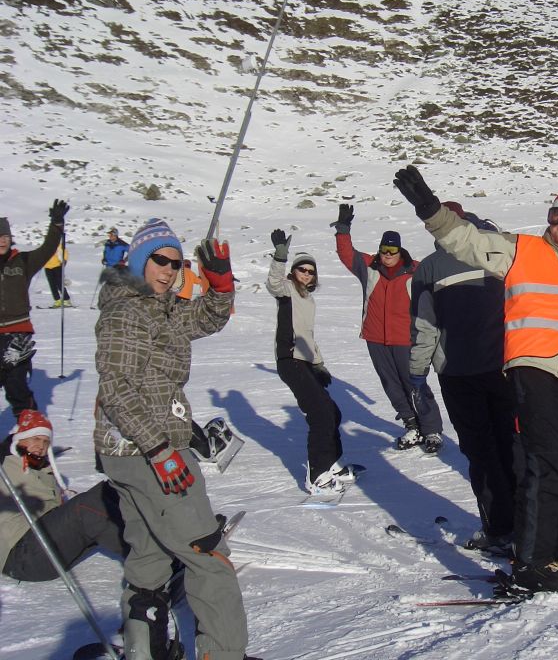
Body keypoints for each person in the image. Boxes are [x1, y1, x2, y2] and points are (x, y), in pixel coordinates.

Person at [393, 165, 558, 592]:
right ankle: (532, 561)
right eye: (556, 214)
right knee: (546, 460)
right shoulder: (520, 251)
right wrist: (429, 207)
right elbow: (466, 240)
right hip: (533, 367)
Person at [94, 218, 254, 660]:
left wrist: (220, 284)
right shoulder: (128, 312)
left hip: (131, 451)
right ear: (138, 260)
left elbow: (207, 318)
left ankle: (144, 649)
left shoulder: (160, 308)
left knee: (149, 555)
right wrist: (160, 451)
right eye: (159, 260)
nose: (168, 270)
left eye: (176, 263)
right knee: (206, 551)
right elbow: (116, 388)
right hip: (149, 450)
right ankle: (224, 653)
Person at [409, 203, 517, 549]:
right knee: (511, 445)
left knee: (481, 451)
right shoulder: (499, 251)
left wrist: (417, 371)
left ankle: (500, 530)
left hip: (458, 372)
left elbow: (425, 326)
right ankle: (529, 524)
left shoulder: (429, 268)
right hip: (505, 367)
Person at [332, 204, 443, 452]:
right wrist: (343, 230)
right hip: (376, 338)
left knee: (415, 384)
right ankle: (411, 425)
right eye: (384, 250)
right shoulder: (369, 268)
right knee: (391, 385)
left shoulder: (414, 271)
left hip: (405, 339)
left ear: (400, 250)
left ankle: (432, 430)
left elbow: (438, 282)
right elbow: (347, 254)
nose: (388, 254)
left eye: (392, 250)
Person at [267, 230, 351, 495]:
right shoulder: (287, 290)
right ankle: (317, 475)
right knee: (321, 414)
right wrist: (280, 256)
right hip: (290, 359)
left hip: (304, 362)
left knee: (332, 412)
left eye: (310, 272)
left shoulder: (308, 299)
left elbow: (309, 337)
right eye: (301, 270)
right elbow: (273, 283)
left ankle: (332, 464)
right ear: (293, 272)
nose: (306, 274)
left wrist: (319, 364)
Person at [2, 410, 128, 582]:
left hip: (43, 542)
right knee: (84, 509)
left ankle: (151, 534)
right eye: (35, 438)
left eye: (46, 441)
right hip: (20, 556)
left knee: (106, 491)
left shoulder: (43, 470)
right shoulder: (5, 465)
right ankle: (147, 560)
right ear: (19, 439)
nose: (41, 446)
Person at [0, 201, 68, 418]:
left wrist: (56, 224)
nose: (2, 240)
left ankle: (30, 427)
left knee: (16, 385)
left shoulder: (23, 261)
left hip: (18, 331)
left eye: (5, 236)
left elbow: (48, 249)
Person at [43, 242, 72, 307]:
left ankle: (66, 299)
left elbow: (65, 253)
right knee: (52, 284)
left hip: (57, 266)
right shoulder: (45, 246)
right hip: (47, 267)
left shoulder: (58, 245)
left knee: (59, 284)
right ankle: (57, 300)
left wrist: (64, 260)